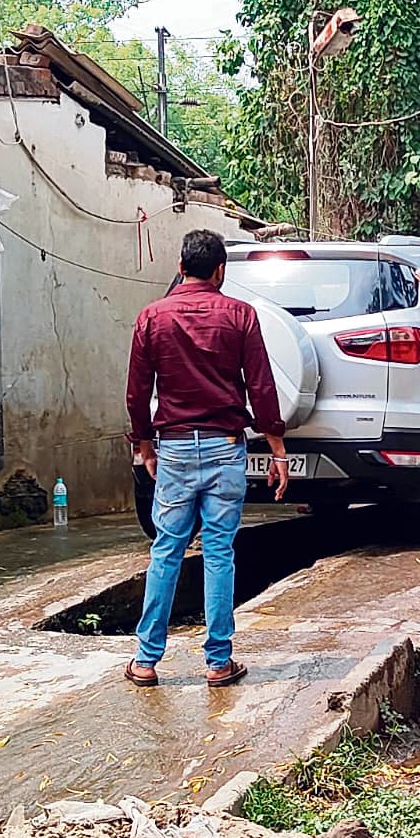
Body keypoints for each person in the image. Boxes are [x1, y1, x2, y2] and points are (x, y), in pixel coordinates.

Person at [124, 229, 289, 688]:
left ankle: (145, 661)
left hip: (175, 449)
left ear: (180, 268)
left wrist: (144, 445)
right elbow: (261, 385)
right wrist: (277, 449)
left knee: (167, 550)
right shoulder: (241, 315)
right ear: (220, 271)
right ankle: (218, 662)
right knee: (219, 552)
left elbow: (137, 392)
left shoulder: (151, 317)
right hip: (225, 446)